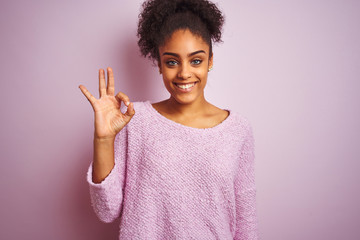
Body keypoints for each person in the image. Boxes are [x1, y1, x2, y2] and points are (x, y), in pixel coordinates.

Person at [79, 0, 259, 239]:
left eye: (196, 60)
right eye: (172, 61)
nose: (184, 73)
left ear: (210, 62)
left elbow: (246, 225)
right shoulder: (135, 121)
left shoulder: (238, 130)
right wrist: (103, 139)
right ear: (160, 65)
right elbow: (106, 210)